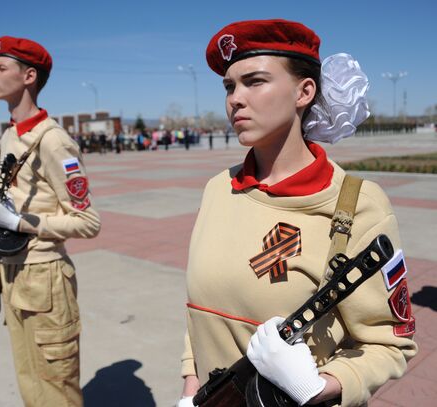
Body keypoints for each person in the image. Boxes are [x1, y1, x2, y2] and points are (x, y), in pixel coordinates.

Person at [178, 19, 417, 407]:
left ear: (304, 91)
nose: (235, 98)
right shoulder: (218, 188)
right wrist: (191, 388)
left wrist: (317, 387)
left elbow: (390, 343)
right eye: (229, 86)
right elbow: (200, 314)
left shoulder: (356, 205)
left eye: (254, 81)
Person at [0, 36, 101, 406]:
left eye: (1, 68)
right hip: (14, 273)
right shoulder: (10, 135)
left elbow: (87, 221)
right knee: (31, 385)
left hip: (45, 279)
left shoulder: (53, 142)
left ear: (29, 75)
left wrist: (21, 225)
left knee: (56, 389)